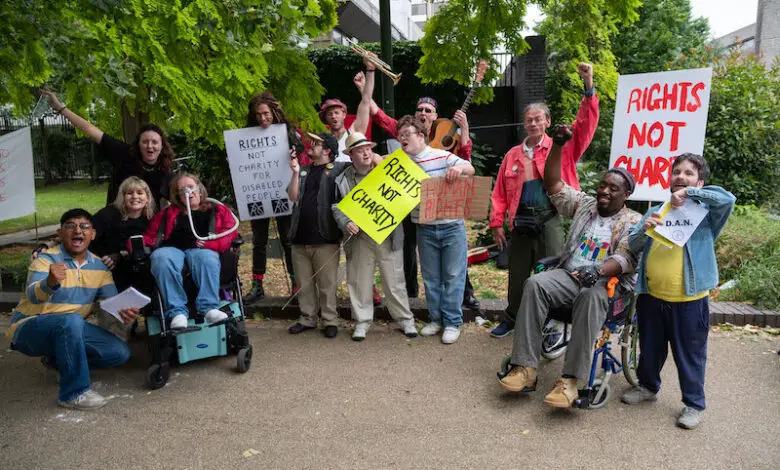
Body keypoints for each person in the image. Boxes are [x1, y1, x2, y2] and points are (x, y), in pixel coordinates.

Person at [498, 125, 641, 408]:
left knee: (589, 295)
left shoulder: (632, 221)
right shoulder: (585, 205)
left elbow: (625, 259)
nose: (604, 191)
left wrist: (598, 271)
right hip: (571, 274)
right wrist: (559, 146)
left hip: (605, 285)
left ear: (625, 195)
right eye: (602, 185)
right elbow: (552, 184)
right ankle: (525, 368)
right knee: (535, 283)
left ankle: (571, 381)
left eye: (613, 188)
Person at [621, 153, 735, 430]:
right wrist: (643, 229)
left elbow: (728, 199)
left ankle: (694, 404)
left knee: (690, 355)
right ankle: (647, 386)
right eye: (676, 172)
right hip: (651, 296)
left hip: (690, 301)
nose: (680, 177)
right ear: (668, 178)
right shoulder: (655, 211)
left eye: (689, 173)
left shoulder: (705, 214)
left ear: (700, 181)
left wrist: (689, 193)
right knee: (650, 348)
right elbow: (632, 243)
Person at [489, 63, 599, 339]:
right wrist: (496, 222)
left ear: (548, 122)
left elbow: (585, 125)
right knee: (517, 275)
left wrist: (589, 86)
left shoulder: (562, 146)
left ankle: (551, 322)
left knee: (552, 273)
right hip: (520, 222)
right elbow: (500, 192)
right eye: (530, 119)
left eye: (539, 119)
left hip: (551, 220)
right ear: (524, 123)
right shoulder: (513, 155)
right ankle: (513, 317)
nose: (534, 123)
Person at [6, 209, 139, 410]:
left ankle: (57, 362)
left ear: (93, 234)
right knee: (71, 320)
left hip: (69, 327)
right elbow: (33, 294)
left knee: (118, 352)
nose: (78, 230)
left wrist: (123, 311)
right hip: (28, 328)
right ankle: (73, 393)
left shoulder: (100, 267)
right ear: (60, 233)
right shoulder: (46, 260)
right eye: (70, 226)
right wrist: (50, 282)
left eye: (84, 226)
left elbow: (111, 301)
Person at [362, 84, 479, 310]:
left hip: (442, 206)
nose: (423, 113)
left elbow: (466, 159)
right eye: (420, 110)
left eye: (428, 110)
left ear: (435, 117)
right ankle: (411, 292)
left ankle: (466, 293)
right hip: (411, 203)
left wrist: (464, 129)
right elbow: (381, 118)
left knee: (453, 258)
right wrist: (366, 86)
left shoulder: (446, 138)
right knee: (409, 250)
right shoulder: (407, 135)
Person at [333, 132, 419, 341]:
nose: (365, 153)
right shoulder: (342, 179)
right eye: (360, 150)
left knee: (395, 280)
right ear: (351, 155)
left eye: (368, 149)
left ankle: (405, 320)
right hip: (360, 239)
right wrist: (346, 222)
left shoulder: (387, 171)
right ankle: (362, 322)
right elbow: (336, 207)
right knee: (359, 281)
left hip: (388, 236)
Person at [397, 116, 475, 344]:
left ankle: (452, 322)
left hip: (451, 227)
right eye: (400, 135)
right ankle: (435, 319)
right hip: (424, 228)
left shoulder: (440, 155)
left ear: (420, 136)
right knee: (431, 277)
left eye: (406, 134)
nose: (402, 139)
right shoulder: (400, 163)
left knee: (453, 276)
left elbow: (470, 168)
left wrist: (458, 168)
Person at [41, 91, 174, 208]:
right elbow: (89, 129)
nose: (150, 146)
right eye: (145, 142)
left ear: (162, 146)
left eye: (154, 142)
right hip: (117, 221)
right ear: (138, 144)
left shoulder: (166, 170)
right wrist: (61, 108)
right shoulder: (124, 154)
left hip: (148, 229)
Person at [141, 173, 239, 329]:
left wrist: (209, 245)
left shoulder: (218, 209)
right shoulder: (167, 213)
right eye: (182, 189)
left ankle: (209, 308)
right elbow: (149, 236)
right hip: (172, 249)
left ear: (199, 188)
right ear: (178, 195)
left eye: (191, 187)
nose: (188, 192)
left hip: (203, 248)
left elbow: (230, 234)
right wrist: (135, 245)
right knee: (160, 258)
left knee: (206, 257)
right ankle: (177, 312)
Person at [285, 133, 347, 338]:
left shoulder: (339, 169)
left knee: (327, 285)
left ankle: (330, 320)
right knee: (304, 284)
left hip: (325, 239)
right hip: (299, 239)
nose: (311, 146)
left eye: (317, 143)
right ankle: (307, 318)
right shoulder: (303, 171)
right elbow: (292, 196)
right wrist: (294, 173)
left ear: (328, 150)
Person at [242, 91, 301, 302]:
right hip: (258, 193)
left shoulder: (286, 131)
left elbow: (301, 147)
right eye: (258, 114)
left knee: (287, 239)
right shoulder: (246, 135)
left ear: (274, 111)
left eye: (266, 113)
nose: (262, 118)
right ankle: (257, 284)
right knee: (259, 241)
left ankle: (296, 283)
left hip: (282, 191)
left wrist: (293, 150)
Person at [91, 176, 156, 291]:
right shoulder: (107, 215)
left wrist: (122, 254)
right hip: (107, 265)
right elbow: (90, 237)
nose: (135, 196)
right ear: (122, 197)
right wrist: (103, 256)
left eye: (140, 193)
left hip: (139, 267)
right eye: (129, 193)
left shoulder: (151, 219)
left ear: (147, 198)